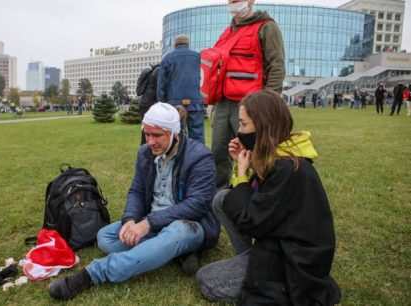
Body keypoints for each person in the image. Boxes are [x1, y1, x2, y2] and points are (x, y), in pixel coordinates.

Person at [49, 102, 220, 301]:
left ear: (174, 132)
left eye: (157, 135)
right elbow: (137, 191)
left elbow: (197, 205)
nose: (150, 141)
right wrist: (130, 220)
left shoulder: (200, 157)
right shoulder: (145, 153)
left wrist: (148, 223)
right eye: (147, 134)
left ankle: (93, 274)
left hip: (190, 224)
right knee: (105, 237)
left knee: (177, 232)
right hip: (153, 222)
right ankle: (171, 251)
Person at [196, 90, 341, 305]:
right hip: (275, 241)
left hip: (291, 260)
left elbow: (250, 221)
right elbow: (253, 205)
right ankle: (249, 257)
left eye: (244, 124)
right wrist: (242, 164)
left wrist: (243, 175)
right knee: (222, 199)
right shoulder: (281, 155)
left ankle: (254, 264)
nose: (239, 131)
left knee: (208, 281)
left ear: (263, 126)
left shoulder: (287, 169)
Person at [211, 0, 285, 188]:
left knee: (252, 151)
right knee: (219, 152)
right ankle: (220, 195)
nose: (234, 4)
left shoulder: (267, 27)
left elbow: (276, 66)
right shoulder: (227, 32)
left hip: (250, 106)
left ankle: (257, 192)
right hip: (223, 103)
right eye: (231, 1)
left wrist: (268, 103)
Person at [157, 35, 205, 144]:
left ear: (175, 44)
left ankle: (178, 159)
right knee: (197, 135)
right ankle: (198, 158)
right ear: (188, 44)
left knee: (175, 134)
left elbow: (161, 84)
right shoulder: (198, 57)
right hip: (195, 102)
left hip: (174, 103)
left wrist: (162, 102)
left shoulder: (168, 58)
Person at [136, 64, 160, 144]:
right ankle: (146, 147)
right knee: (152, 128)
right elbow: (159, 89)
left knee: (145, 127)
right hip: (151, 104)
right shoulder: (158, 71)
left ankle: (143, 146)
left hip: (144, 103)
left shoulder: (150, 72)